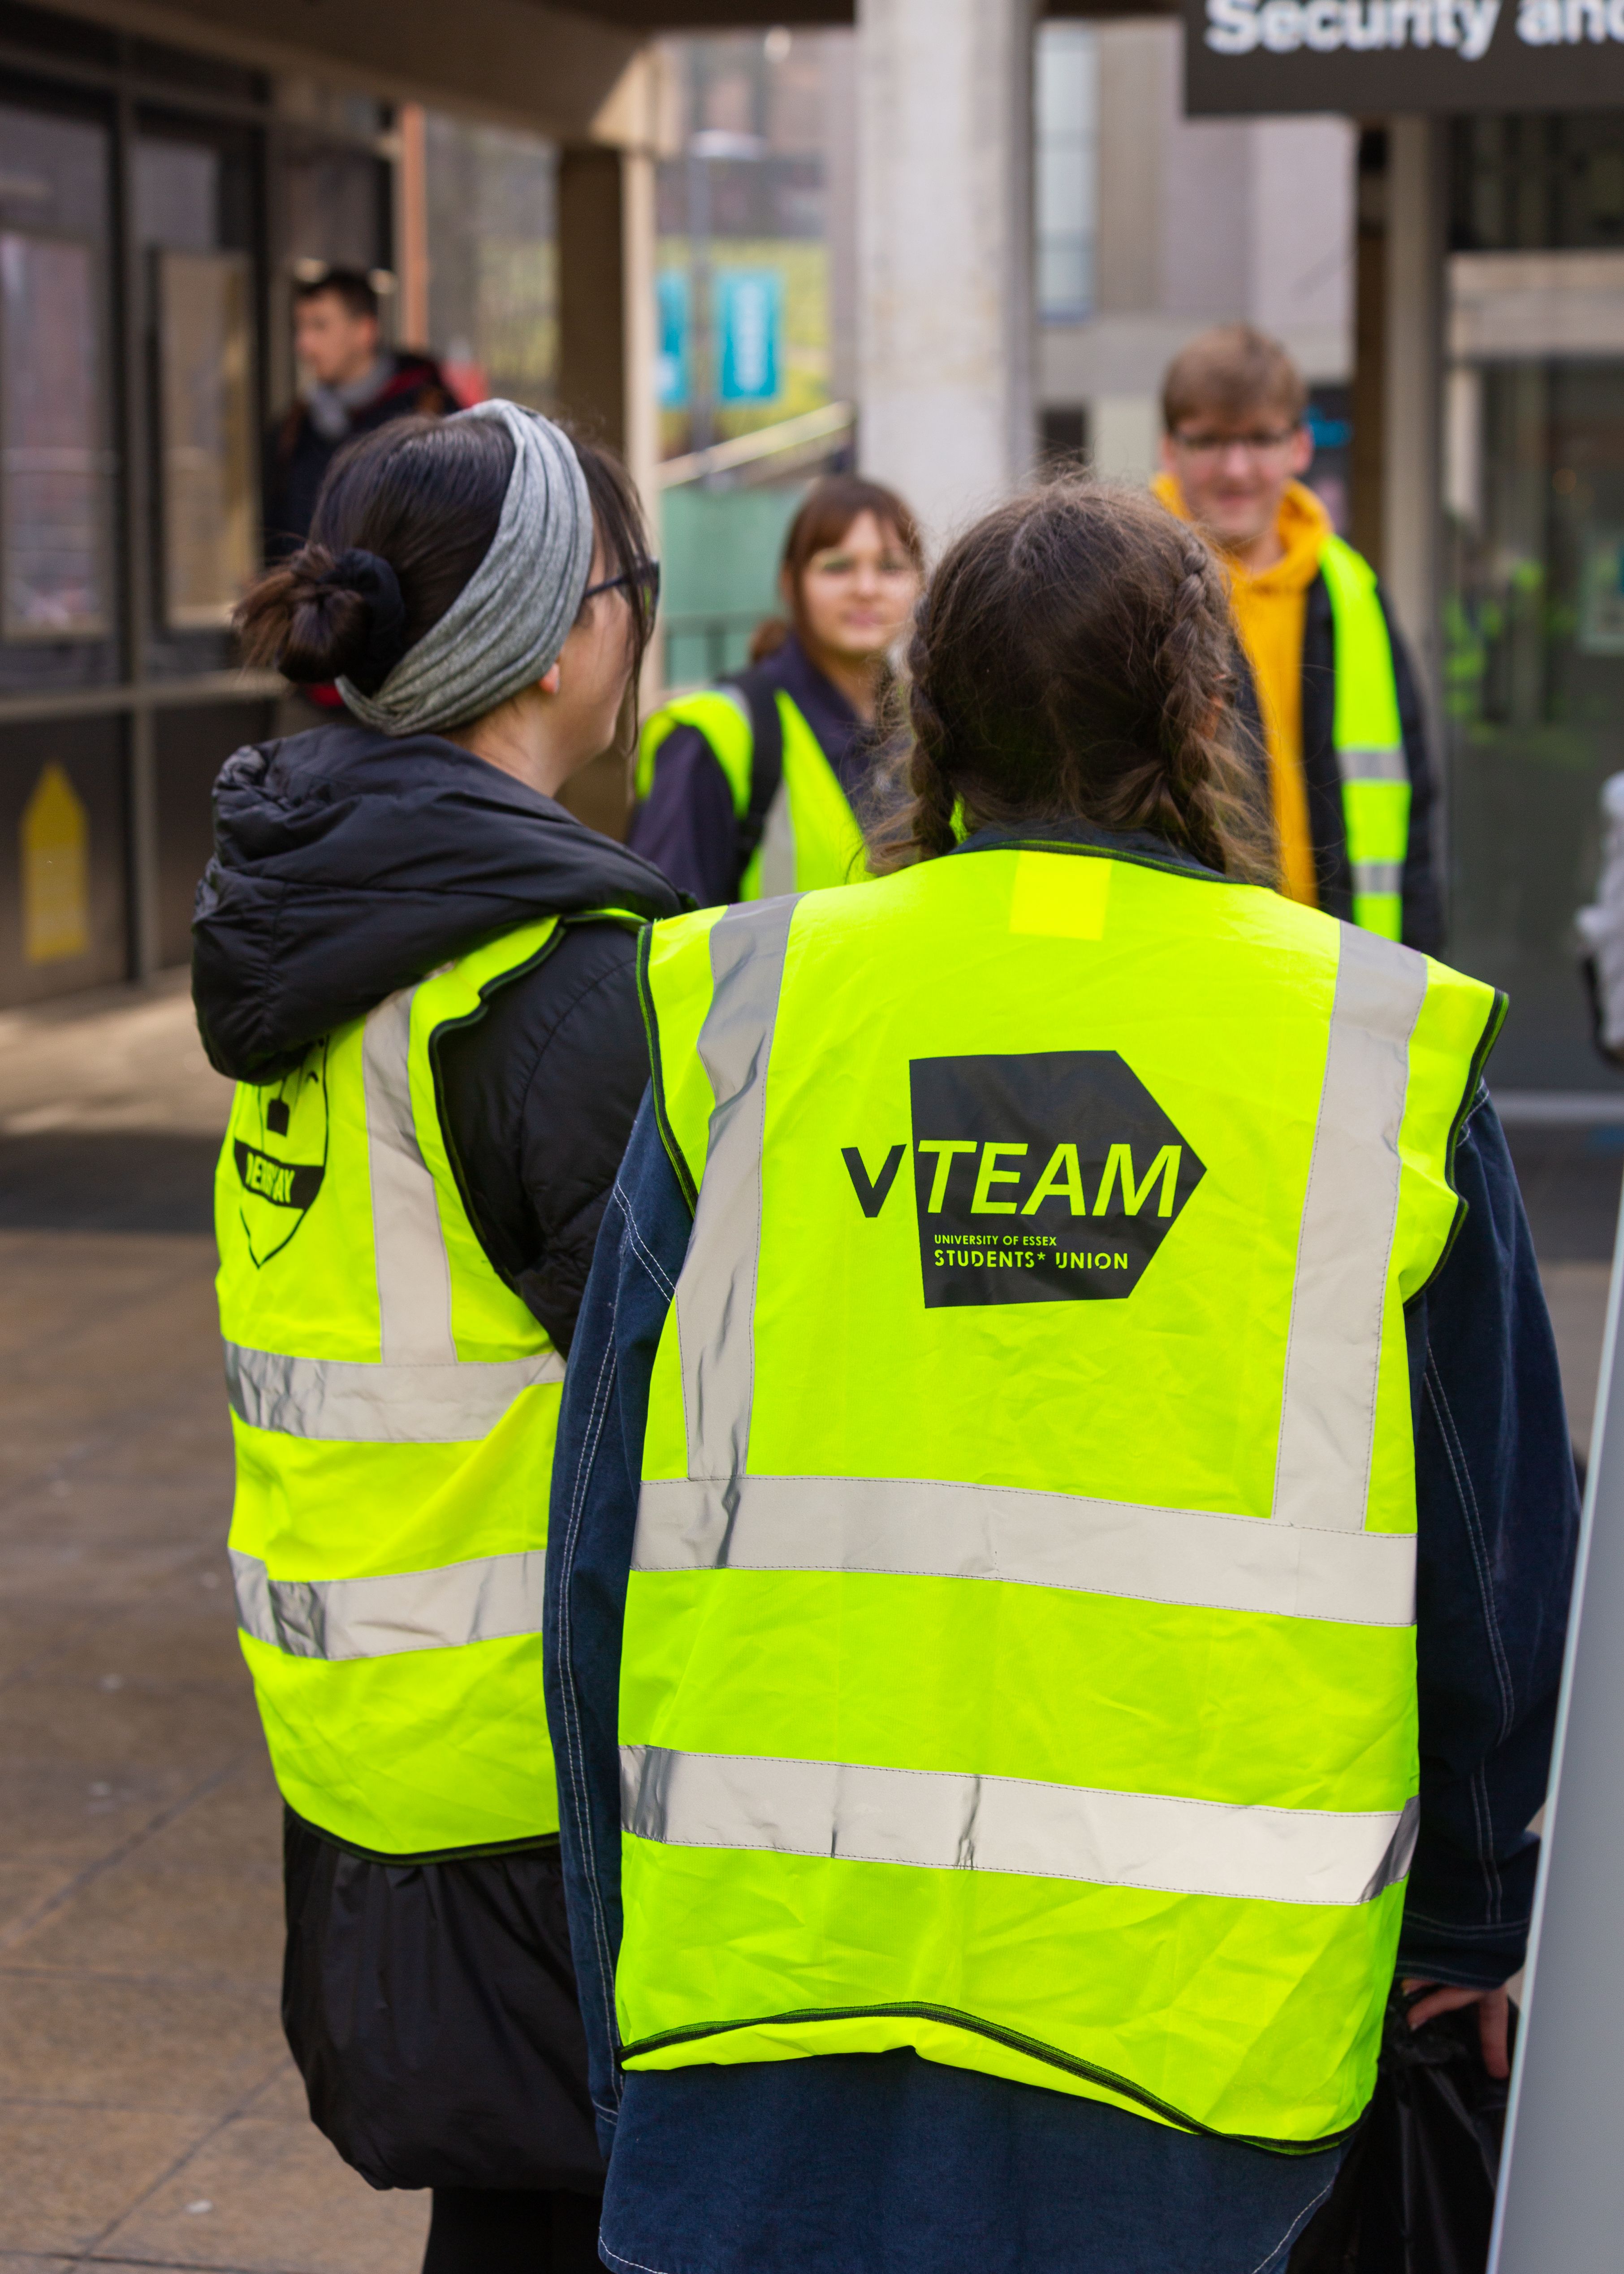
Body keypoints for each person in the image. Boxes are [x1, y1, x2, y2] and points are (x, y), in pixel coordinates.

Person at [543, 481, 1576, 2274]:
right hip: (1210, 2018)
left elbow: (596, 1544)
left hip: (779, 1983)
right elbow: (1495, 1555)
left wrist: (611, 1946)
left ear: (924, 717)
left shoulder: (754, 1011)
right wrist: (1476, 1913)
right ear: (1203, 713)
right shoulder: (1371, 1049)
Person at [194, 399, 680, 2273]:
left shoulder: (321, 931)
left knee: (513, 2217)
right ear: (568, 636)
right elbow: (708, 1402)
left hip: (375, 1738)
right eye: (634, 591)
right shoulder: (544, 983)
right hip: (541, 1777)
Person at [1155, 323, 1441, 953]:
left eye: (1260, 438)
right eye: (1208, 441)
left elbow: (1410, 813)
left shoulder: (1353, 591)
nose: (1236, 468)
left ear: (1301, 446)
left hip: (1340, 969)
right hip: (1184, 969)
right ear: (1168, 451)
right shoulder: (1125, 583)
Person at [627, 474, 924, 903]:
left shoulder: (932, 736)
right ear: (790, 583)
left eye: (890, 566)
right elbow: (660, 938)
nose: (866, 588)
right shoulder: (717, 736)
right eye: (838, 566)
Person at [263, 268, 457, 562]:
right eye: (300, 328)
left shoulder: (430, 415)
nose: (304, 345)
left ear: (365, 332)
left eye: (320, 327)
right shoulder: (295, 426)